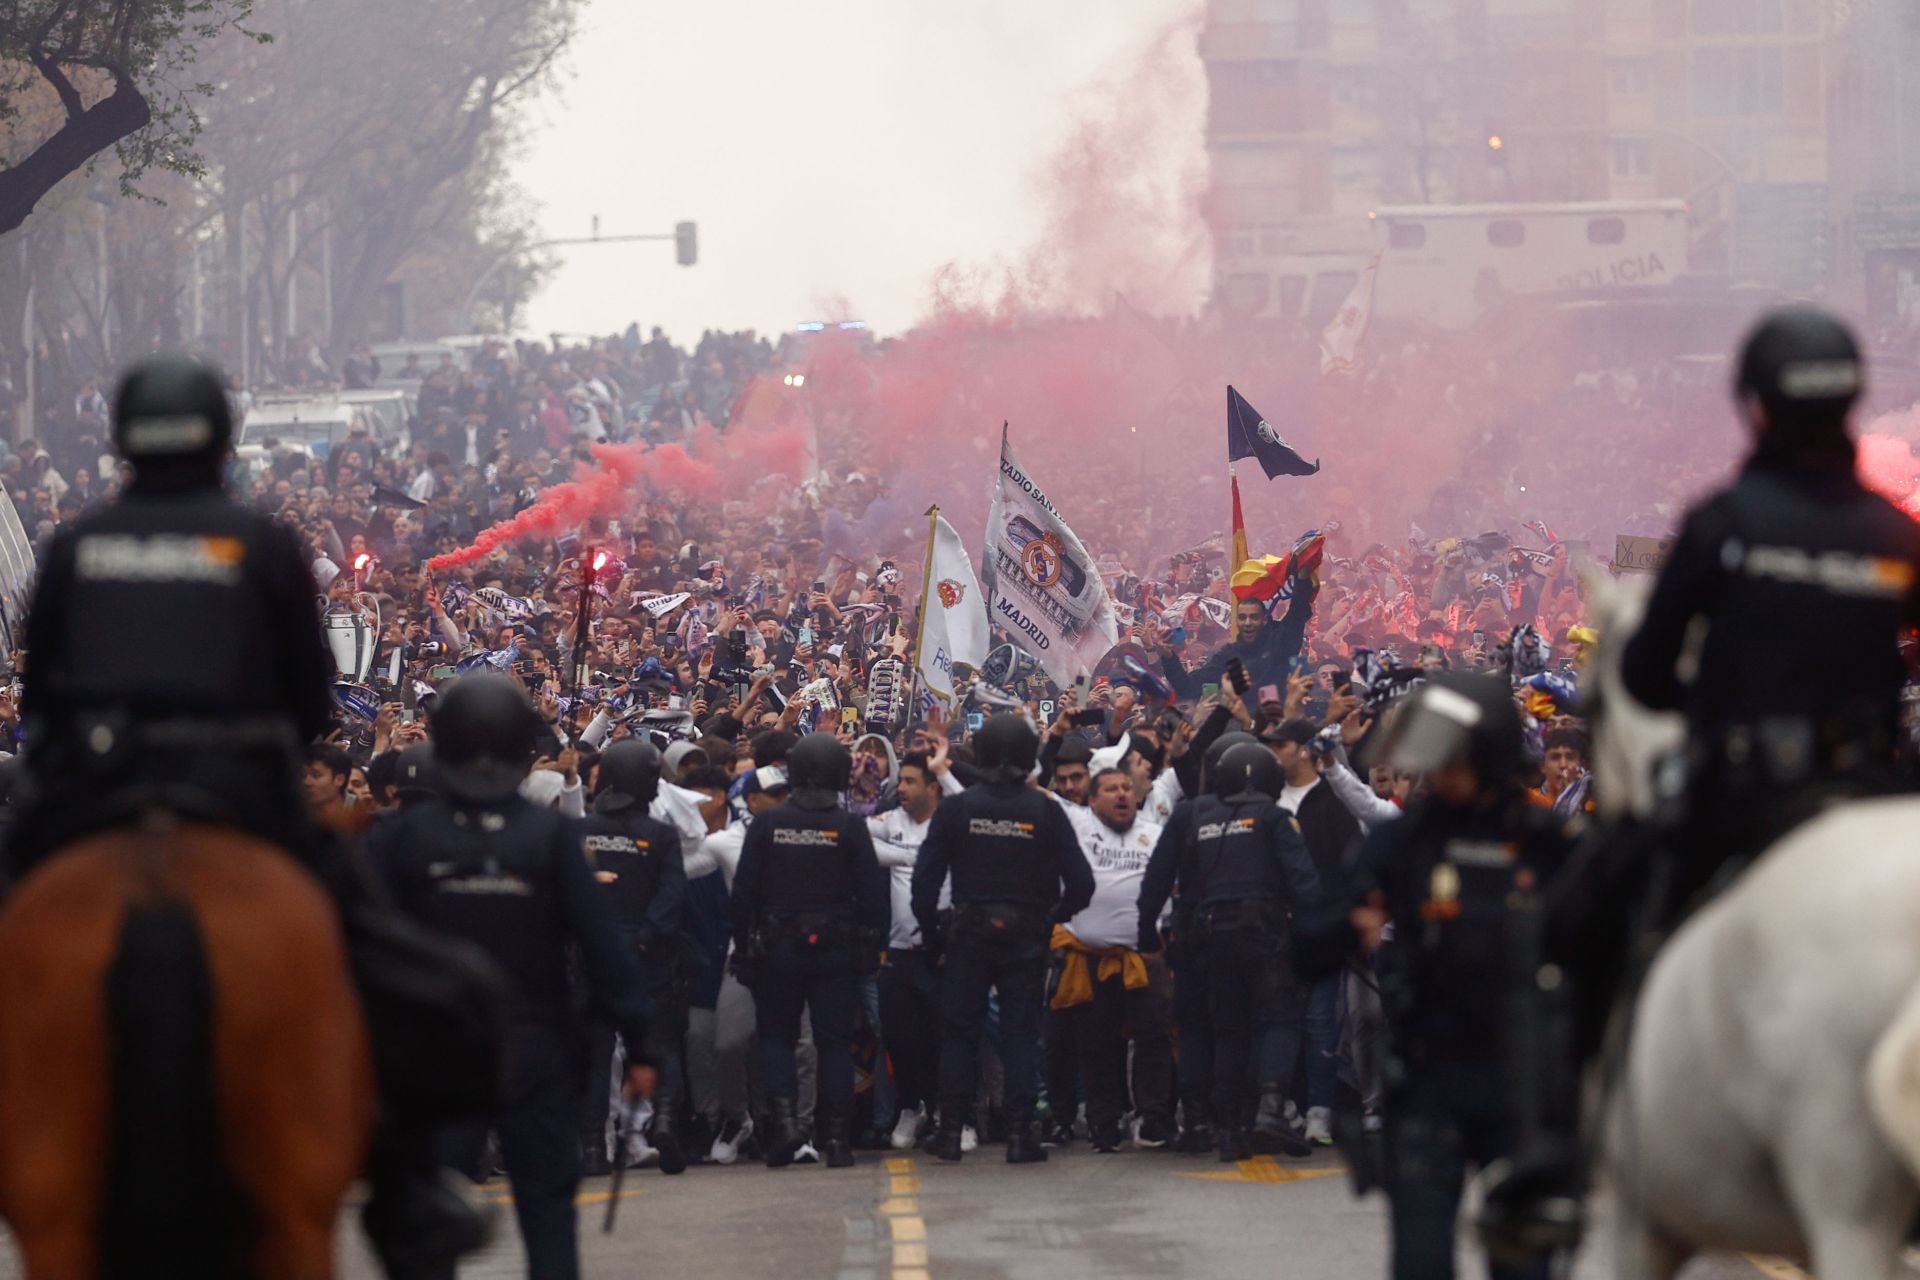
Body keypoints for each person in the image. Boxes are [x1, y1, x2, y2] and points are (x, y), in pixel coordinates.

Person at [6, 355, 490, 1272]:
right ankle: (408, 1182)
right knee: (374, 954)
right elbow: (312, 701)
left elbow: (41, 701)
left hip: (92, 796)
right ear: (222, 439)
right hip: (239, 794)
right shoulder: (260, 543)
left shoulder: (76, 546)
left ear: (121, 441)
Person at [1622, 306, 1920, 902]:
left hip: (1738, 802)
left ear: (1754, 404)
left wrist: (1715, 705)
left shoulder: (1721, 524)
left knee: (1600, 913)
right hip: (1873, 789)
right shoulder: (1897, 535)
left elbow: (1645, 677)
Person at [373, 673, 656, 1280]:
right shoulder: (550, 837)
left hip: (435, 1055)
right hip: (534, 1050)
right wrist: (643, 1043)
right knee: (548, 1212)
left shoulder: (401, 838)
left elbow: (364, 949)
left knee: (426, 1216)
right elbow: (605, 948)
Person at [1344, 673, 1570, 1280]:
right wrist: (1348, 925)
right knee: (1420, 1260)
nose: (1432, 767)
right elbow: (1315, 939)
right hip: (1426, 1078)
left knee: (1523, 1264)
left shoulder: (1546, 840)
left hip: (1521, 1084)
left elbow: (1599, 954)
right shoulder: (1403, 840)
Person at [911, 712, 1094, 1164]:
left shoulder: (957, 808)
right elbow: (1082, 883)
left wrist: (935, 931)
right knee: (1021, 1034)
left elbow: (924, 883)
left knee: (959, 1034)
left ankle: (951, 1131)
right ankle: (1019, 1135)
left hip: (968, 933)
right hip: (1026, 936)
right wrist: (1052, 917)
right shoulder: (1044, 809)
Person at [728, 732, 889, 1169]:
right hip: (835, 948)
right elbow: (873, 894)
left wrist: (742, 947)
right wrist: (870, 946)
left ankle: (784, 1129)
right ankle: (836, 1138)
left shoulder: (767, 824)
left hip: (778, 948)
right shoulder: (849, 826)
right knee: (833, 1043)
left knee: (777, 1039)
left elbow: (743, 892)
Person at [1179, 741, 1323, 1162]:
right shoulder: (1276, 818)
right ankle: (1271, 1107)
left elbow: (1188, 884)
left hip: (1214, 937)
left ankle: (1229, 1131)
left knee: (1229, 1031)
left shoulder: (1202, 821)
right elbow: (1305, 882)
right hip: (1264, 934)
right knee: (1282, 1016)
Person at [577, 739, 689, 1176]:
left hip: (596, 952)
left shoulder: (582, 831)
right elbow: (673, 893)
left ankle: (592, 1147)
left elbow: (571, 890)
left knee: (598, 1050)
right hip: (647, 954)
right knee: (658, 1042)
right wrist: (646, 936)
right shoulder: (660, 835)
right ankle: (662, 1120)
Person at [1051, 768, 1172, 1152]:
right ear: (1092, 799)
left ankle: (1152, 1118)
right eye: (1110, 789)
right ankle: (1104, 1121)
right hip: (1090, 957)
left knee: (1153, 1039)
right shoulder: (1077, 828)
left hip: (1144, 956)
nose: (1121, 795)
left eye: (1126, 788)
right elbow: (1030, 786)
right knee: (1096, 1044)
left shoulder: (1155, 835)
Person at [868, 745, 964, 1151]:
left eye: (910, 781)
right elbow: (856, 830)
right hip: (899, 952)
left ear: (932, 787)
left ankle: (953, 1114)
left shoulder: (951, 822)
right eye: (900, 780)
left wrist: (945, 772)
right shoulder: (894, 822)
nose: (901, 787)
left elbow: (971, 807)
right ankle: (912, 1107)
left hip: (944, 950)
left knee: (948, 1036)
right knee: (900, 1037)